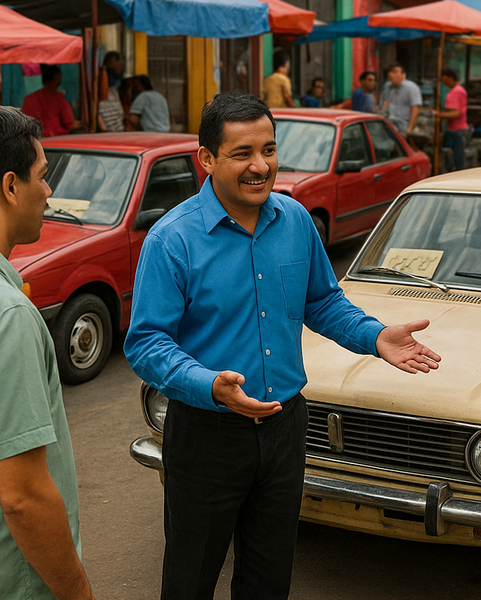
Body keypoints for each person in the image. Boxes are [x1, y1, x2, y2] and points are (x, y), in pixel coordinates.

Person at [123, 93, 441, 600]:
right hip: (207, 432)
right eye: (242, 153)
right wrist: (209, 385)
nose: (260, 166)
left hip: (286, 427)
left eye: (269, 150)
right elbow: (145, 342)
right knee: (190, 576)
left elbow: (322, 302)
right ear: (206, 159)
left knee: (270, 577)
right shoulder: (172, 239)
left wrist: (375, 336)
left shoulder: (294, 221)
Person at [0, 107, 95, 600]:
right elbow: (22, 495)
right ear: (10, 186)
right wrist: (78, 592)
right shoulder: (11, 316)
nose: (49, 191)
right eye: (43, 176)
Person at [21, 64, 82, 137]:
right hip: (55, 139)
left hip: (34, 139)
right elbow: (69, 125)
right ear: (57, 79)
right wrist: (83, 123)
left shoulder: (29, 98)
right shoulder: (59, 98)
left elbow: (23, 123)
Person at [433, 67, 469, 171]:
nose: (443, 82)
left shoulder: (455, 92)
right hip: (457, 130)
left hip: (457, 131)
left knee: (455, 163)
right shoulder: (458, 90)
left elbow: (456, 113)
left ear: (448, 78)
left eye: (443, 79)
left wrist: (439, 115)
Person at [379, 63, 422, 138]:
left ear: (403, 75)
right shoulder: (387, 87)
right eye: (391, 72)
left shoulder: (411, 87)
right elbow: (383, 104)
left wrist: (409, 129)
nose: (392, 75)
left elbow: (415, 108)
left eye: (395, 72)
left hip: (402, 127)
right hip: (387, 125)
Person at [98, 51, 125, 132]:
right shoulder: (103, 75)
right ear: (112, 61)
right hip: (107, 118)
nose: (121, 66)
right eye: (120, 62)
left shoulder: (118, 79)